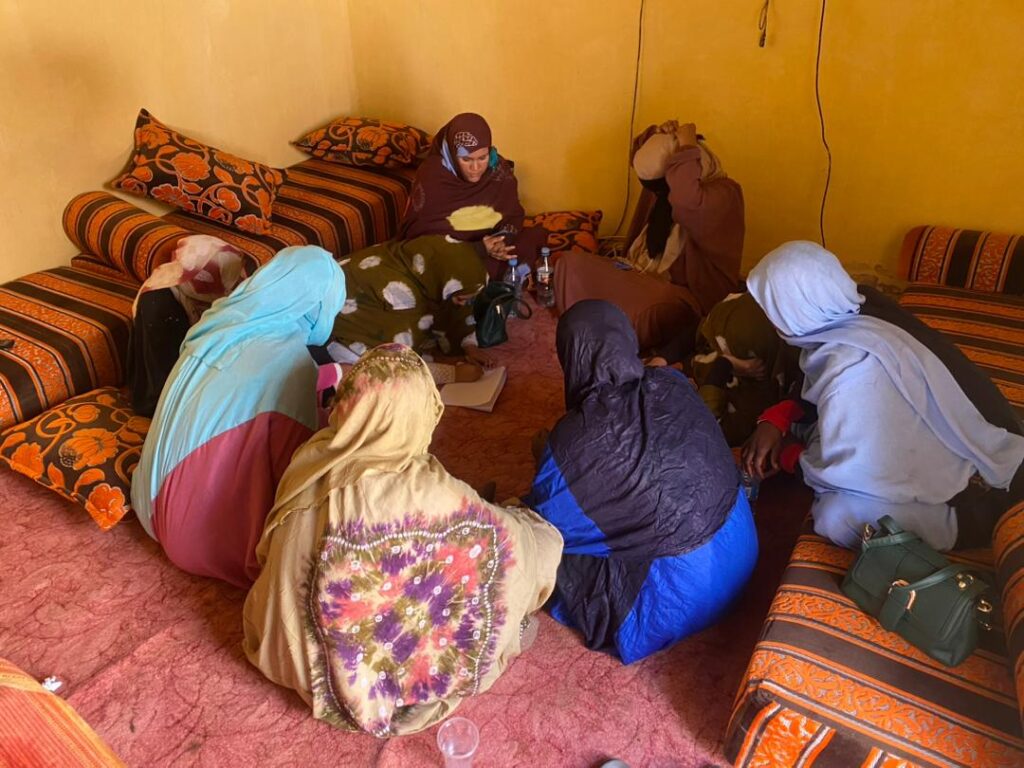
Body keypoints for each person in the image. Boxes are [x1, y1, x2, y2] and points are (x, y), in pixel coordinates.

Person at [243, 344, 562, 736]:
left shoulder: (311, 459)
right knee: (536, 546)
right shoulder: (431, 491)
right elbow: (512, 550)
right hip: (376, 673)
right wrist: (520, 522)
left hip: (294, 660)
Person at [741, 241, 1024, 550]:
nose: (769, 320)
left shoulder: (849, 365)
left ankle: (962, 528)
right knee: (811, 431)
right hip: (947, 443)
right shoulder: (858, 311)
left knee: (833, 515)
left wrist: (790, 457)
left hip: (971, 492)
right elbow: (819, 406)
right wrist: (777, 418)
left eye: (771, 309)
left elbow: (841, 476)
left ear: (796, 310)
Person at [526, 300, 758, 664]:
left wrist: (548, 455)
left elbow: (545, 524)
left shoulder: (574, 442)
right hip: (741, 551)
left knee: (536, 548)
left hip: (679, 599)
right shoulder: (673, 382)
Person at [131, 246, 346, 587]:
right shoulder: (292, 365)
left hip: (148, 509)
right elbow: (300, 473)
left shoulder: (216, 325)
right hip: (194, 543)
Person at [555, 121, 744, 353]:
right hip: (637, 273)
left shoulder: (723, 195)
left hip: (678, 295)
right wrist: (656, 133)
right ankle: (592, 326)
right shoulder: (664, 188)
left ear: (681, 169)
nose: (655, 193)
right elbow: (640, 156)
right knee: (570, 264)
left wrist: (686, 144)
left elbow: (686, 201)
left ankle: (607, 331)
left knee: (647, 309)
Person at [400, 112, 547, 280]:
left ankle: (488, 283)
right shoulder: (432, 177)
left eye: (482, 158)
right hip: (451, 255)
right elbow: (424, 242)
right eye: (466, 159)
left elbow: (512, 215)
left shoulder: (498, 170)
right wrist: (478, 248)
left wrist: (501, 241)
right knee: (438, 270)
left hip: (489, 246)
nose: (476, 167)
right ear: (452, 155)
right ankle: (488, 285)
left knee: (535, 237)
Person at [329, 234, 488, 381]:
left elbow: (456, 307)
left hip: (355, 314)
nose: (462, 306)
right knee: (379, 381)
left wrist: (469, 346)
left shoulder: (417, 264)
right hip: (336, 339)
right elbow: (392, 360)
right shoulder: (401, 295)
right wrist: (453, 375)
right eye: (460, 299)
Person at [125, 235, 252, 417]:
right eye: (221, 276)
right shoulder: (160, 303)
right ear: (203, 276)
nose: (232, 284)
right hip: (164, 382)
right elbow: (169, 367)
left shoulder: (204, 286)